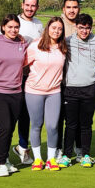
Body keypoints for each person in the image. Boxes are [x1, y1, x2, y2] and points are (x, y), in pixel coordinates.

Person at [0, 14, 29, 176]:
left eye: (16, 27)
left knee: (10, 128)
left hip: (16, 93)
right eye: (10, 27)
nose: (13, 30)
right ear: (3, 27)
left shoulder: (22, 43)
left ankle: (6, 160)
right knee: (4, 127)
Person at [25, 17, 67, 171]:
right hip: (34, 91)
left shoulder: (63, 47)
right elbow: (21, 64)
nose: (56, 31)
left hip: (54, 92)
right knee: (36, 125)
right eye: (54, 27)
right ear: (48, 28)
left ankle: (51, 159)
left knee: (53, 126)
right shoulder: (35, 45)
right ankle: (37, 159)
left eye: (59, 28)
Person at [9, 0, 45, 165]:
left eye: (33, 6)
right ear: (22, 5)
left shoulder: (39, 24)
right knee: (12, 115)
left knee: (27, 114)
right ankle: (4, 156)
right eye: (27, 5)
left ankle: (22, 148)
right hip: (13, 77)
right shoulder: (13, 22)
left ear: (37, 7)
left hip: (31, 77)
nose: (30, 8)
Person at [62, 14, 95, 168]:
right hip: (70, 88)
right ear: (76, 27)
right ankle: (66, 156)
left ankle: (85, 155)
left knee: (86, 125)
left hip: (89, 88)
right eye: (81, 27)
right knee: (70, 125)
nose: (84, 31)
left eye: (87, 28)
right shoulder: (67, 41)